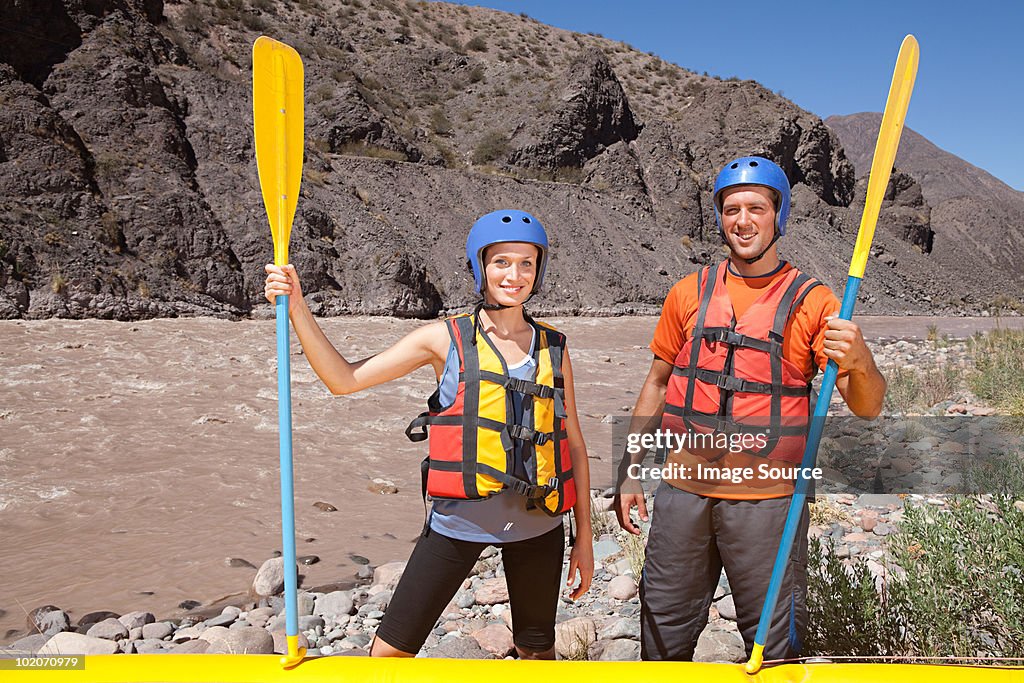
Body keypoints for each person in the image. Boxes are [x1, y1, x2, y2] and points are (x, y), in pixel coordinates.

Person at [264, 209, 594, 659]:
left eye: (525, 264)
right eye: (501, 262)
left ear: (538, 271)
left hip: (539, 526)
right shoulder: (442, 339)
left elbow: (573, 443)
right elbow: (343, 380)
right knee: (388, 656)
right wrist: (297, 307)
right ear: (480, 268)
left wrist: (585, 541)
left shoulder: (554, 345)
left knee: (536, 654)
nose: (514, 275)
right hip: (459, 523)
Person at [614, 156, 886, 661]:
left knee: (774, 643)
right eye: (731, 208)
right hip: (682, 493)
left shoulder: (817, 302)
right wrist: (630, 470)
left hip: (768, 502)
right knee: (662, 633)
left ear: (777, 216)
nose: (742, 220)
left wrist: (860, 358)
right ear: (719, 217)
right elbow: (656, 384)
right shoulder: (687, 293)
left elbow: (867, 407)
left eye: (756, 208)